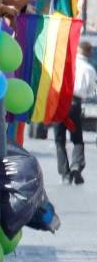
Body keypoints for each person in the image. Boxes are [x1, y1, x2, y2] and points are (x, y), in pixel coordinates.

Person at [58, 41, 96, 184]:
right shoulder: (89, 69)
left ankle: (65, 174)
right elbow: (91, 91)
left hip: (60, 104)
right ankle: (76, 166)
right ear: (89, 53)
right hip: (75, 104)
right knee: (77, 138)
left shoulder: (65, 65)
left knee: (59, 140)